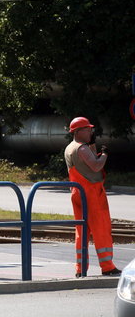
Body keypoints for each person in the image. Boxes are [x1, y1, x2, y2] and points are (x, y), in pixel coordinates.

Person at [64, 116, 120, 277]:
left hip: (78, 192)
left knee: (81, 231)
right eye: (88, 129)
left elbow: (85, 164)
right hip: (92, 192)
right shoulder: (81, 148)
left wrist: (93, 147)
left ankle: (80, 268)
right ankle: (107, 266)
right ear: (79, 131)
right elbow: (96, 166)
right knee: (101, 228)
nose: (91, 131)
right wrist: (105, 154)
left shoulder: (70, 148)